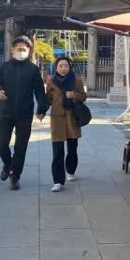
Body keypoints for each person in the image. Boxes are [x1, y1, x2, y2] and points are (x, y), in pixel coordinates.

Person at [0, 35, 46, 191]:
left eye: (24, 49)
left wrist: (41, 109)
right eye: (18, 49)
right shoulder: (3, 67)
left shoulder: (33, 70)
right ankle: (7, 164)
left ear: (29, 51)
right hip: (5, 111)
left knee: (21, 146)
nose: (21, 51)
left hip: (24, 113)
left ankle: (15, 177)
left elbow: (40, 92)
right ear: (12, 49)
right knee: (1, 143)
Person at [37, 56, 87, 192]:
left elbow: (84, 97)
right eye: (60, 66)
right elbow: (47, 99)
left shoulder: (76, 80)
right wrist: (41, 111)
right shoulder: (51, 82)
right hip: (57, 118)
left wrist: (75, 96)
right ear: (56, 68)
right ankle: (58, 181)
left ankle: (70, 170)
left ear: (70, 67)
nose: (63, 68)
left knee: (72, 148)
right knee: (57, 151)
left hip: (72, 118)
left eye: (66, 66)